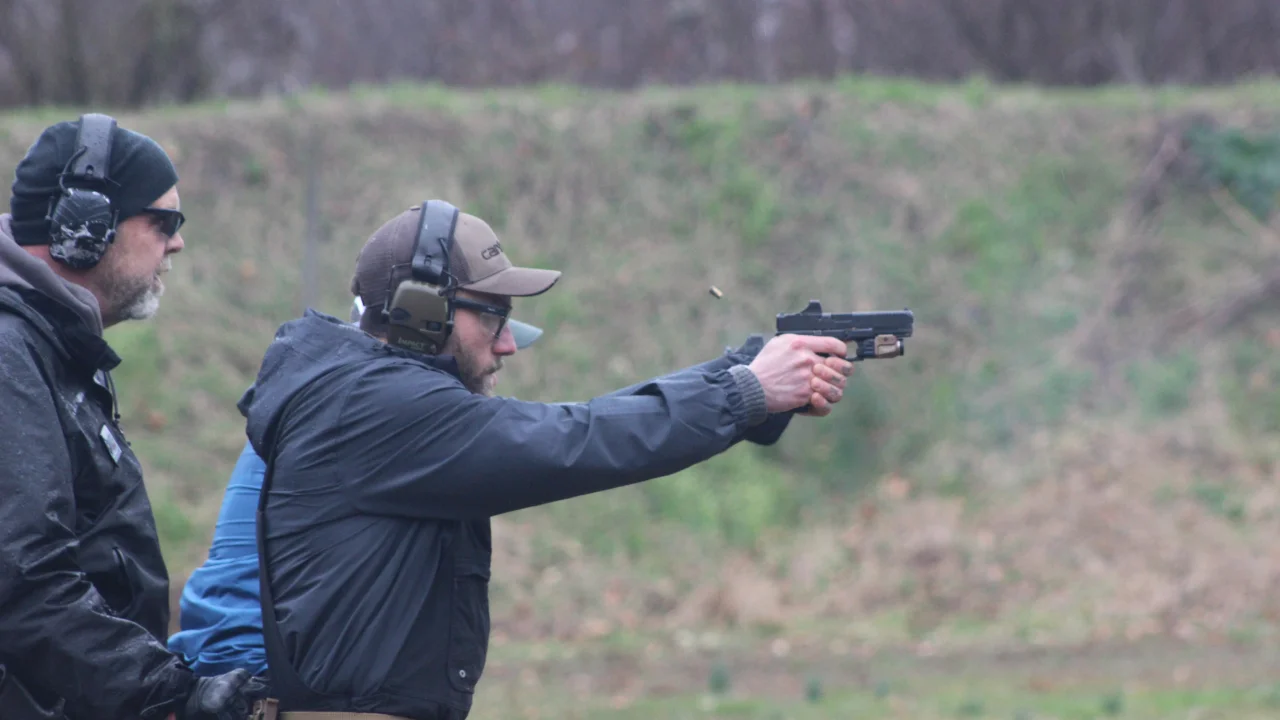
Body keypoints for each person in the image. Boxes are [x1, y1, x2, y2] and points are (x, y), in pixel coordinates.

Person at [238, 199, 854, 720]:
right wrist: (742, 392)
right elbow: (574, 442)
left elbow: (581, 422)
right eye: (494, 317)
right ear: (423, 312)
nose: (508, 342)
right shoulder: (379, 406)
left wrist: (742, 373)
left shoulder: (365, 395)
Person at [0, 113, 263, 719]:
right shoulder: (12, 354)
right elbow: (23, 582)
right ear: (83, 227)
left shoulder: (53, 350)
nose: (177, 243)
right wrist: (165, 692)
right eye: (163, 221)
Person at [167, 299, 547, 678]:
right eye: (487, 328)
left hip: (240, 663)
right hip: (253, 673)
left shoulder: (322, 402)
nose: (503, 352)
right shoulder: (374, 417)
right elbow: (538, 445)